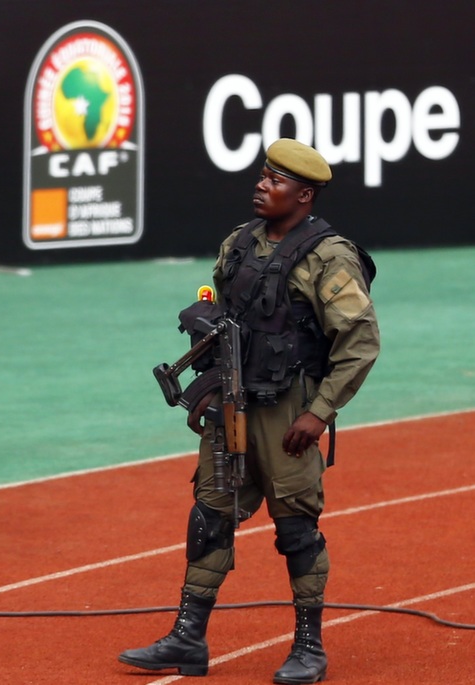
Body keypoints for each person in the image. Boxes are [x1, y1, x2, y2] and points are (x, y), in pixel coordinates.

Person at [118, 138, 380, 684]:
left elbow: (358, 342)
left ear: (304, 195)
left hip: (290, 412)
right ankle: (188, 638)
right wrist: (209, 384)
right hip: (230, 407)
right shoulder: (237, 244)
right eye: (263, 175)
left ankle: (309, 646)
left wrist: (320, 413)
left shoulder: (330, 257)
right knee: (209, 517)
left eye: (276, 181)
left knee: (296, 528)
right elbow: (225, 326)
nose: (262, 185)